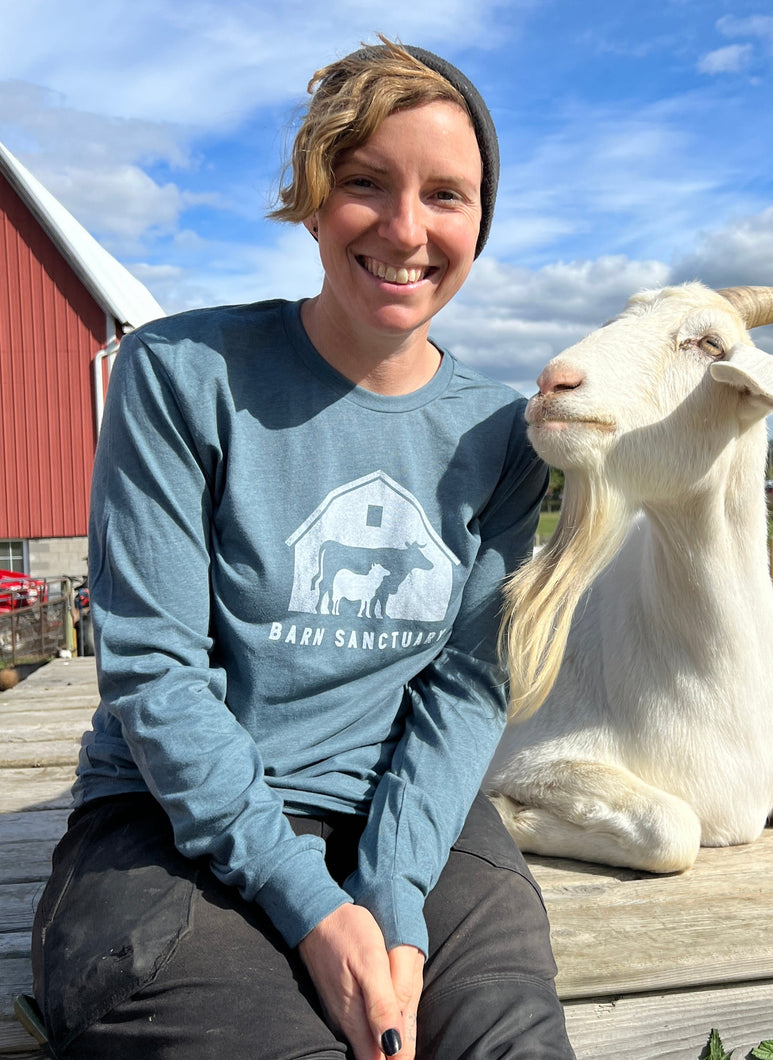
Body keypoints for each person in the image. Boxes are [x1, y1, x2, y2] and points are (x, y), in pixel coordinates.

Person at [32, 39, 575, 1060]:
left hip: (406, 814)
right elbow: (153, 673)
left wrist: (394, 896)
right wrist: (312, 909)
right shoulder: (182, 377)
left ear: (481, 219)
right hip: (165, 819)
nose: (407, 230)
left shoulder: (501, 437)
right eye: (367, 184)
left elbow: (467, 684)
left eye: (447, 195)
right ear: (317, 197)